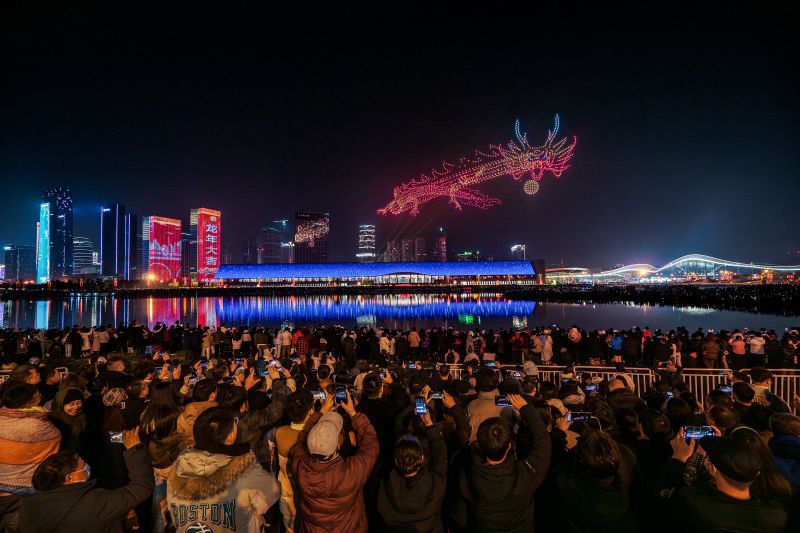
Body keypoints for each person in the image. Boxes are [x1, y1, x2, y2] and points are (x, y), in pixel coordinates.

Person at [166, 407, 280, 532]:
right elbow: (271, 494)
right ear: (230, 437)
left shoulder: (177, 467)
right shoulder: (245, 471)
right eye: (235, 422)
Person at [18, 427, 153, 533]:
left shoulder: (28, 504)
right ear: (70, 477)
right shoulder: (96, 502)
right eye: (83, 465)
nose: (87, 466)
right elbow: (141, 487)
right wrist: (135, 450)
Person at [449, 394, 552, 532]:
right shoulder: (525, 474)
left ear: (479, 444)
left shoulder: (467, 473)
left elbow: (460, 516)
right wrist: (525, 409)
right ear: (509, 446)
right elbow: (543, 441)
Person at [657, 430, 788, 532]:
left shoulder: (690, 502)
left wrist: (678, 460)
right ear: (756, 473)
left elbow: (662, 497)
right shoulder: (777, 516)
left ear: (712, 469)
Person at [290, 390, 379, 532]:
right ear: (338, 444)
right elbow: (371, 446)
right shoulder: (351, 472)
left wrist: (320, 413)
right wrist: (353, 414)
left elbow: (301, 439)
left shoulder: (300, 466)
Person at [377, 403, 448, 532]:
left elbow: (398, 421)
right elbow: (440, 456)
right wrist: (429, 424)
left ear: (396, 461)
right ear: (421, 459)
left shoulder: (382, 484)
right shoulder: (435, 484)